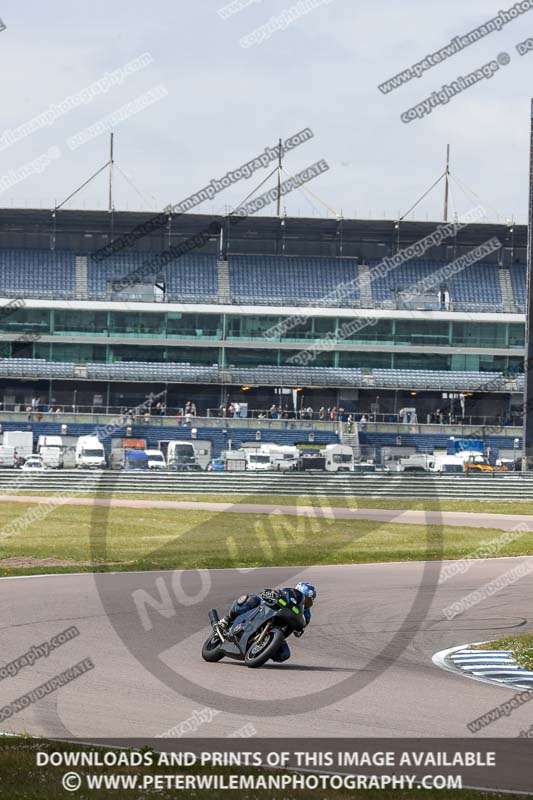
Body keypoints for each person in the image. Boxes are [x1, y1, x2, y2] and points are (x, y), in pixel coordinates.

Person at [216, 581, 317, 663]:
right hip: (265, 612)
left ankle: (262, 648)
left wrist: (300, 628)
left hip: (280, 628)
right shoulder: (287, 593)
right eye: (305, 599)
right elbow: (272, 594)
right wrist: (270, 594)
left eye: (309, 601)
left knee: (284, 654)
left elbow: (300, 628)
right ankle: (227, 619)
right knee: (250, 600)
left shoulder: (306, 614)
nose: (306, 602)